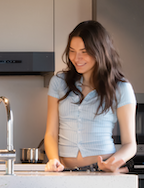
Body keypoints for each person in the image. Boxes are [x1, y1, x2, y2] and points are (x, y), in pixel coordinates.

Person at [44, 20, 136, 173]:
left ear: (100, 51)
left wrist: (112, 163)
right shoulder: (58, 83)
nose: (76, 58)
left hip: (102, 171)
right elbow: (51, 133)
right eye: (72, 51)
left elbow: (130, 144)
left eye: (84, 52)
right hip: (65, 171)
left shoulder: (121, 88)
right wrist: (53, 159)